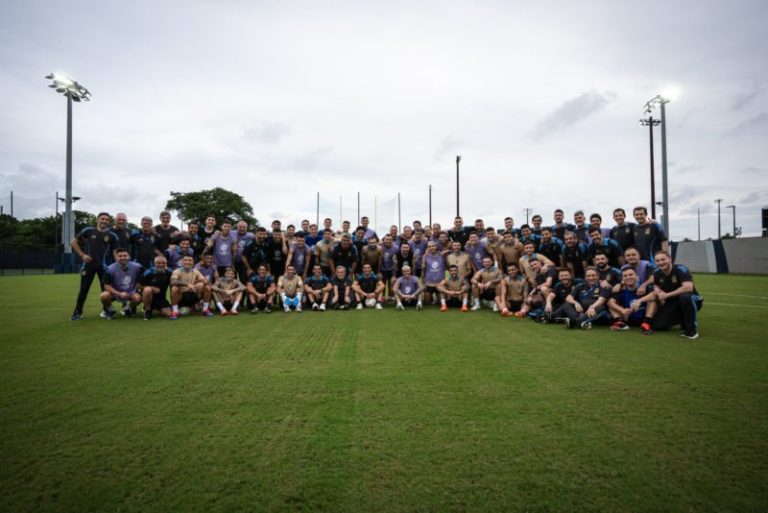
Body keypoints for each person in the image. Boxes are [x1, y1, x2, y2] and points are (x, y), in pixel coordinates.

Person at [70, 212, 118, 320]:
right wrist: (82, 255)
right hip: (88, 265)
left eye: (106, 219)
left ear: (108, 222)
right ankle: (77, 312)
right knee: (84, 289)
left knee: (105, 290)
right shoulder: (88, 231)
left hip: (104, 267)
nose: (104, 221)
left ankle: (106, 311)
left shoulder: (111, 235)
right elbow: (73, 242)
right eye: (102, 219)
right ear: (98, 219)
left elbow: (115, 251)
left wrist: (116, 265)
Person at [646, 251, 703, 339]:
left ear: (670, 259)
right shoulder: (657, 272)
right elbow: (656, 284)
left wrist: (667, 295)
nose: (660, 262)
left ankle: (691, 330)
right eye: (657, 261)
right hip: (674, 301)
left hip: (692, 299)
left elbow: (688, 287)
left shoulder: (681, 269)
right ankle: (683, 319)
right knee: (658, 326)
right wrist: (657, 289)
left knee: (685, 297)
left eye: (663, 259)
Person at [607, 267, 656, 333]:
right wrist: (622, 310)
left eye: (631, 275)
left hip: (644, 317)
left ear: (637, 276)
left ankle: (646, 324)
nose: (628, 277)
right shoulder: (621, 289)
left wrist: (640, 300)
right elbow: (610, 302)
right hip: (628, 317)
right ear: (622, 279)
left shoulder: (644, 287)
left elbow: (656, 295)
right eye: (625, 276)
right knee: (611, 304)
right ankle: (620, 323)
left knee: (652, 300)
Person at [99, 248, 143, 319]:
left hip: (131, 292)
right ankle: (111, 310)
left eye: (125, 255)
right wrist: (119, 293)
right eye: (120, 256)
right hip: (116, 293)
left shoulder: (137, 267)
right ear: (116, 257)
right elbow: (106, 286)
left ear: (129, 256)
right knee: (104, 295)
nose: (123, 257)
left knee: (138, 298)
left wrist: (137, 289)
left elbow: (143, 278)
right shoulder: (110, 269)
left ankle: (127, 308)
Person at [170, 255, 214, 319]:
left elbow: (205, 281)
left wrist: (199, 282)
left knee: (207, 287)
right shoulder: (177, 271)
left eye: (190, 260)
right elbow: (173, 282)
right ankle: (175, 311)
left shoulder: (195, 271)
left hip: (193, 295)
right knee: (174, 288)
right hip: (181, 297)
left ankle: (205, 309)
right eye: (185, 260)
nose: (187, 262)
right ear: (182, 262)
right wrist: (187, 284)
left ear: (193, 262)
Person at [139, 255, 173, 320]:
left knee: (169, 314)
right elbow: (138, 285)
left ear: (166, 264)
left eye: (163, 263)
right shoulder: (148, 272)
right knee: (147, 290)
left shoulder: (169, 272)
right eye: (158, 263)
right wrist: (152, 288)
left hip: (161, 298)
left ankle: (155, 308)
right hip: (148, 296)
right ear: (154, 264)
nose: (161, 265)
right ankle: (147, 311)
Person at [422, 241, 446, 305]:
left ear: (436, 247)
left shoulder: (442, 255)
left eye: (433, 246)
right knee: (426, 302)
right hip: (429, 283)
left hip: (440, 283)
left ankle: (437, 299)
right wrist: (423, 281)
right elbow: (423, 270)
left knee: (441, 303)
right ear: (428, 248)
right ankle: (431, 298)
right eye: (429, 247)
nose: (431, 248)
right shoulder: (425, 257)